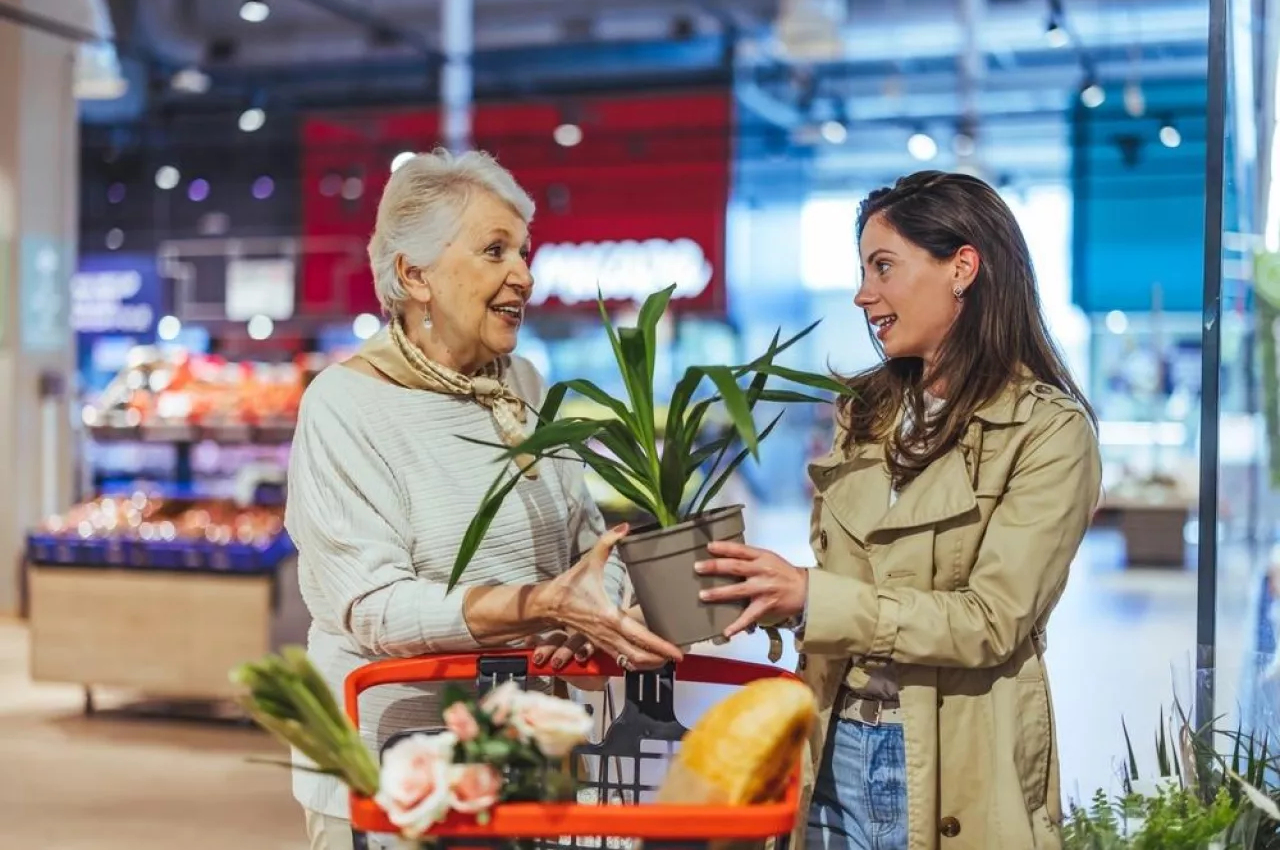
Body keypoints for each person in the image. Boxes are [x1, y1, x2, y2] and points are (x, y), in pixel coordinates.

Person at [285, 148, 683, 849]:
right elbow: (375, 607)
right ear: (415, 274)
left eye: (524, 251)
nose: (524, 274)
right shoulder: (344, 405)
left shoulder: (525, 383)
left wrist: (588, 611)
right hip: (395, 779)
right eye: (495, 250)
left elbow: (585, 542)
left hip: (529, 765)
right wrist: (539, 605)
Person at [695, 171, 1102, 849]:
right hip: (828, 741)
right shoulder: (866, 414)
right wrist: (774, 593)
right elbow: (851, 586)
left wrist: (813, 596)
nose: (863, 294)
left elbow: (991, 620)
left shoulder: (1048, 431)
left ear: (962, 267)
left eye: (883, 266)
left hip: (943, 756)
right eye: (862, 270)